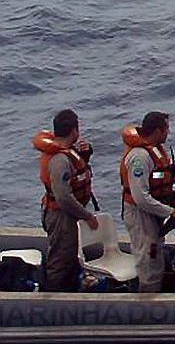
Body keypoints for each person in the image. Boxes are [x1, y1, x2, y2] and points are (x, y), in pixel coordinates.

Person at [119, 111, 175, 292]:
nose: (168, 133)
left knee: (155, 254)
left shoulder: (157, 151)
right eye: (166, 129)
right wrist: (170, 212)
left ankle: (155, 290)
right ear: (158, 131)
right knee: (147, 257)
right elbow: (141, 197)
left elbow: (165, 181)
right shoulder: (140, 157)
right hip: (140, 214)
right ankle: (146, 299)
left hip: (154, 212)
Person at [32, 109, 99, 291]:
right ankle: (52, 300)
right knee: (60, 261)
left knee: (70, 258)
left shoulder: (69, 153)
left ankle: (69, 289)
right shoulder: (60, 160)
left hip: (68, 215)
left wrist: (84, 158)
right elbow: (63, 198)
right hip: (61, 216)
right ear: (73, 130)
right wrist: (87, 216)